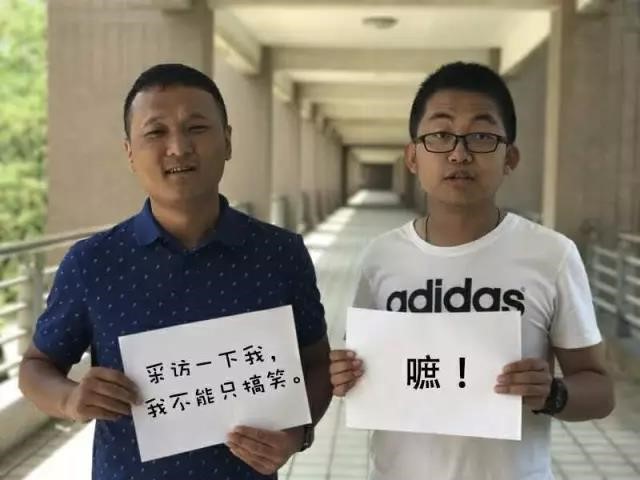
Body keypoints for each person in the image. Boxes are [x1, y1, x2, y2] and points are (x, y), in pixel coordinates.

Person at [19, 63, 332, 480]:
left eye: (196, 128)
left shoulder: (280, 254)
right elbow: (37, 366)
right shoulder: (93, 262)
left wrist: (296, 434)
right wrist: (69, 400)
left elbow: (317, 364)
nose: (179, 148)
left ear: (227, 141)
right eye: (156, 132)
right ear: (130, 153)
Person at [329, 62, 615, 480]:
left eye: (481, 136)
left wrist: (552, 394)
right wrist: (343, 375)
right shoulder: (381, 256)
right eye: (440, 135)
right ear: (413, 156)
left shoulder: (551, 255)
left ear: (509, 157)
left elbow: (600, 391)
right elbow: (362, 370)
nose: (459, 154)